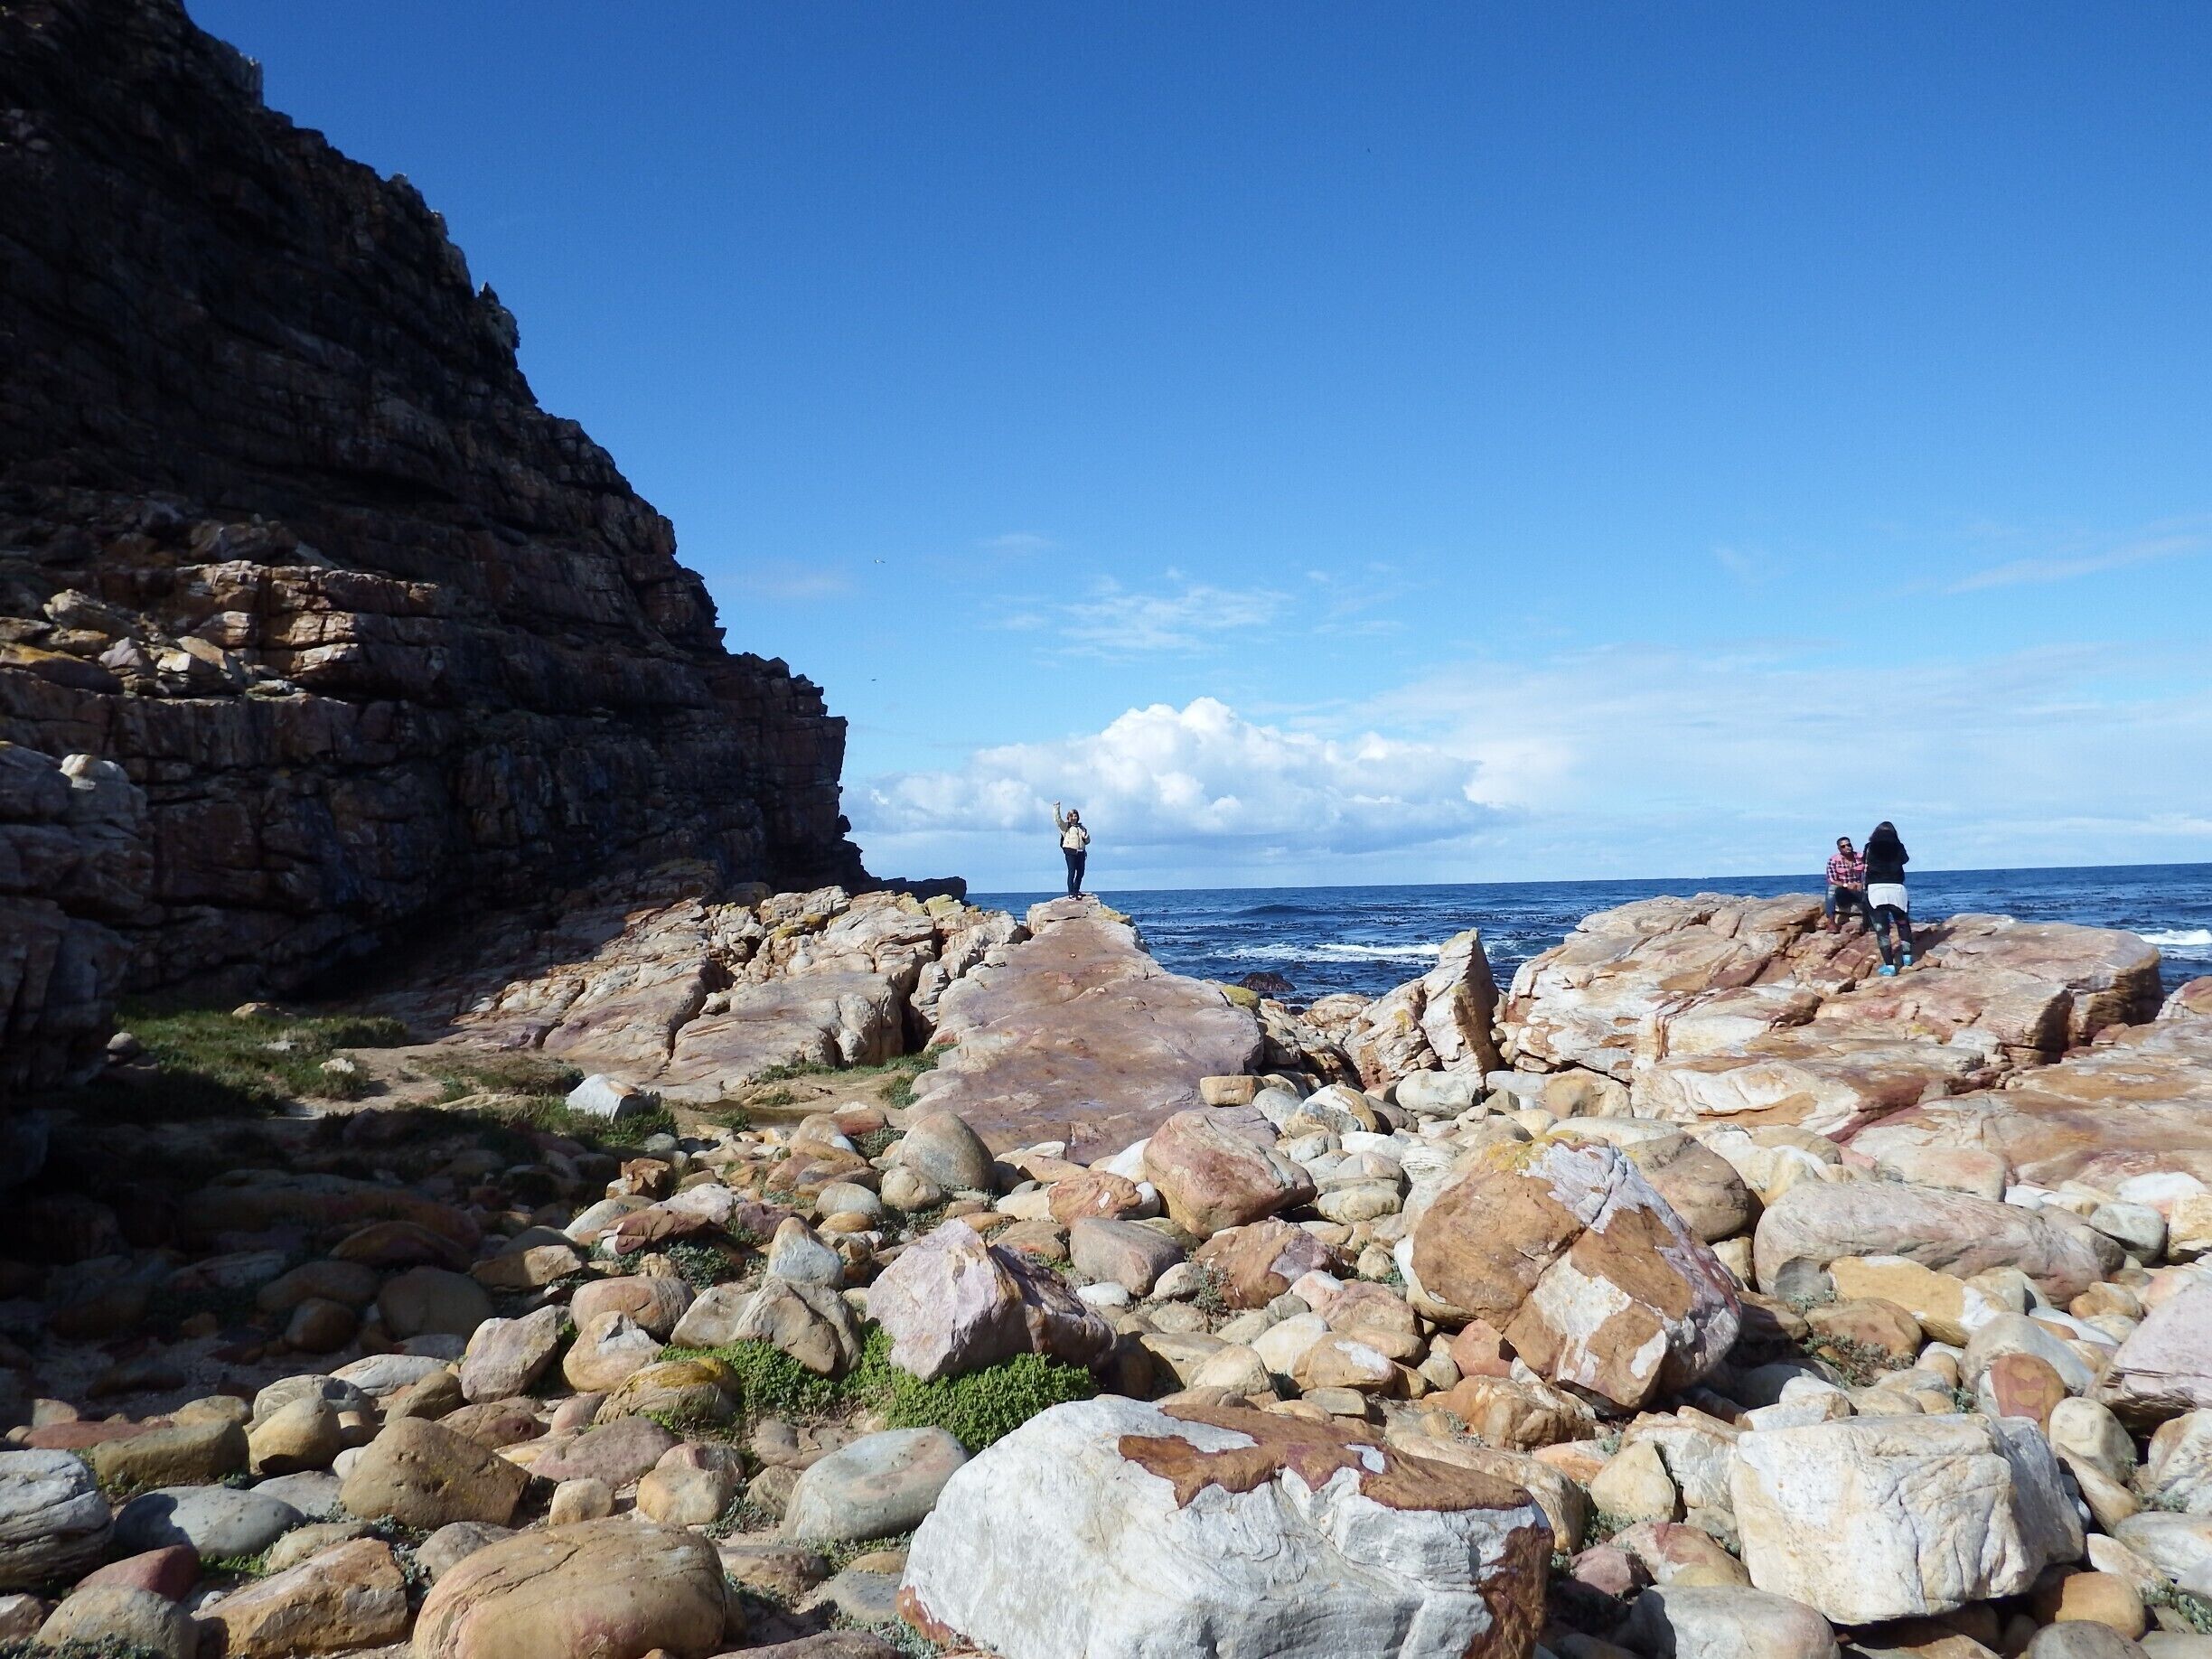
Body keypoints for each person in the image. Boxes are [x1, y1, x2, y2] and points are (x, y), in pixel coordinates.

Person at [1862, 820, 1913, 973]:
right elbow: (1905, 860)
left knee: (1882, 930)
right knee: (1902, 923)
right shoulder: (1898, 846)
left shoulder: (1870, 847)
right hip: (1896, 888)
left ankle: (1890, 966)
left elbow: (1864, 861)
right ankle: (1907, 957)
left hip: (1876, 889)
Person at [1823, 835, 1870, 933]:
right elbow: (1832, 879)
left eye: (1848, 845)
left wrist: (1862, 884)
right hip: (1843, 890)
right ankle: (1831, 922)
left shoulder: (1861, 857)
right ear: (1839, 848)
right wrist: (1846, 885)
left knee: (1871, 890)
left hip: (1858, 889)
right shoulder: (1833, 860)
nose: (1847, 847)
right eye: (1843, 846)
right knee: (1831, 889)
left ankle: (1871, 922)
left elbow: (1869, 873)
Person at [1053, 801, 1090, 898]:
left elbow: (1087, 841)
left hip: (1081, 852)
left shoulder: (1082, 828)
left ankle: (1076, 891)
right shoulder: (1065, 826)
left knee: (1081, 873)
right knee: (1072, 872)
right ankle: (1071, 894)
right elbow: (1057, 820)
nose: (1074, 818)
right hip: (1070, 852)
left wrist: (1086, 837)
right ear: (1068, 817)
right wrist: (1056, 807)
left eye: (1075, 816)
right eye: (1072, 816)